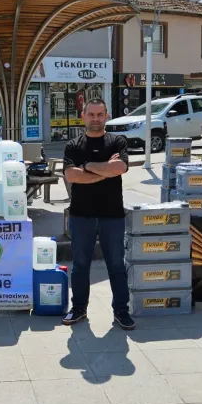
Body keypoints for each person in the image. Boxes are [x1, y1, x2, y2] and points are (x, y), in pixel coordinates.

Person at [61, 98, 134, 330]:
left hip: (112, 215)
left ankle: (121, 311)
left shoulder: (117, 142)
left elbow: (120, 168)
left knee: (116, 265)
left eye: (99, 114)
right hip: (81, 215)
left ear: (106, 116)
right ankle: (79, 308)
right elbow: (71, 176)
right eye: (91, 114)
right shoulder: (73, 145)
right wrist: (105, 171)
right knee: (80, 265)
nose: (95, 119)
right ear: (83, 116)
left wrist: (89, 166)